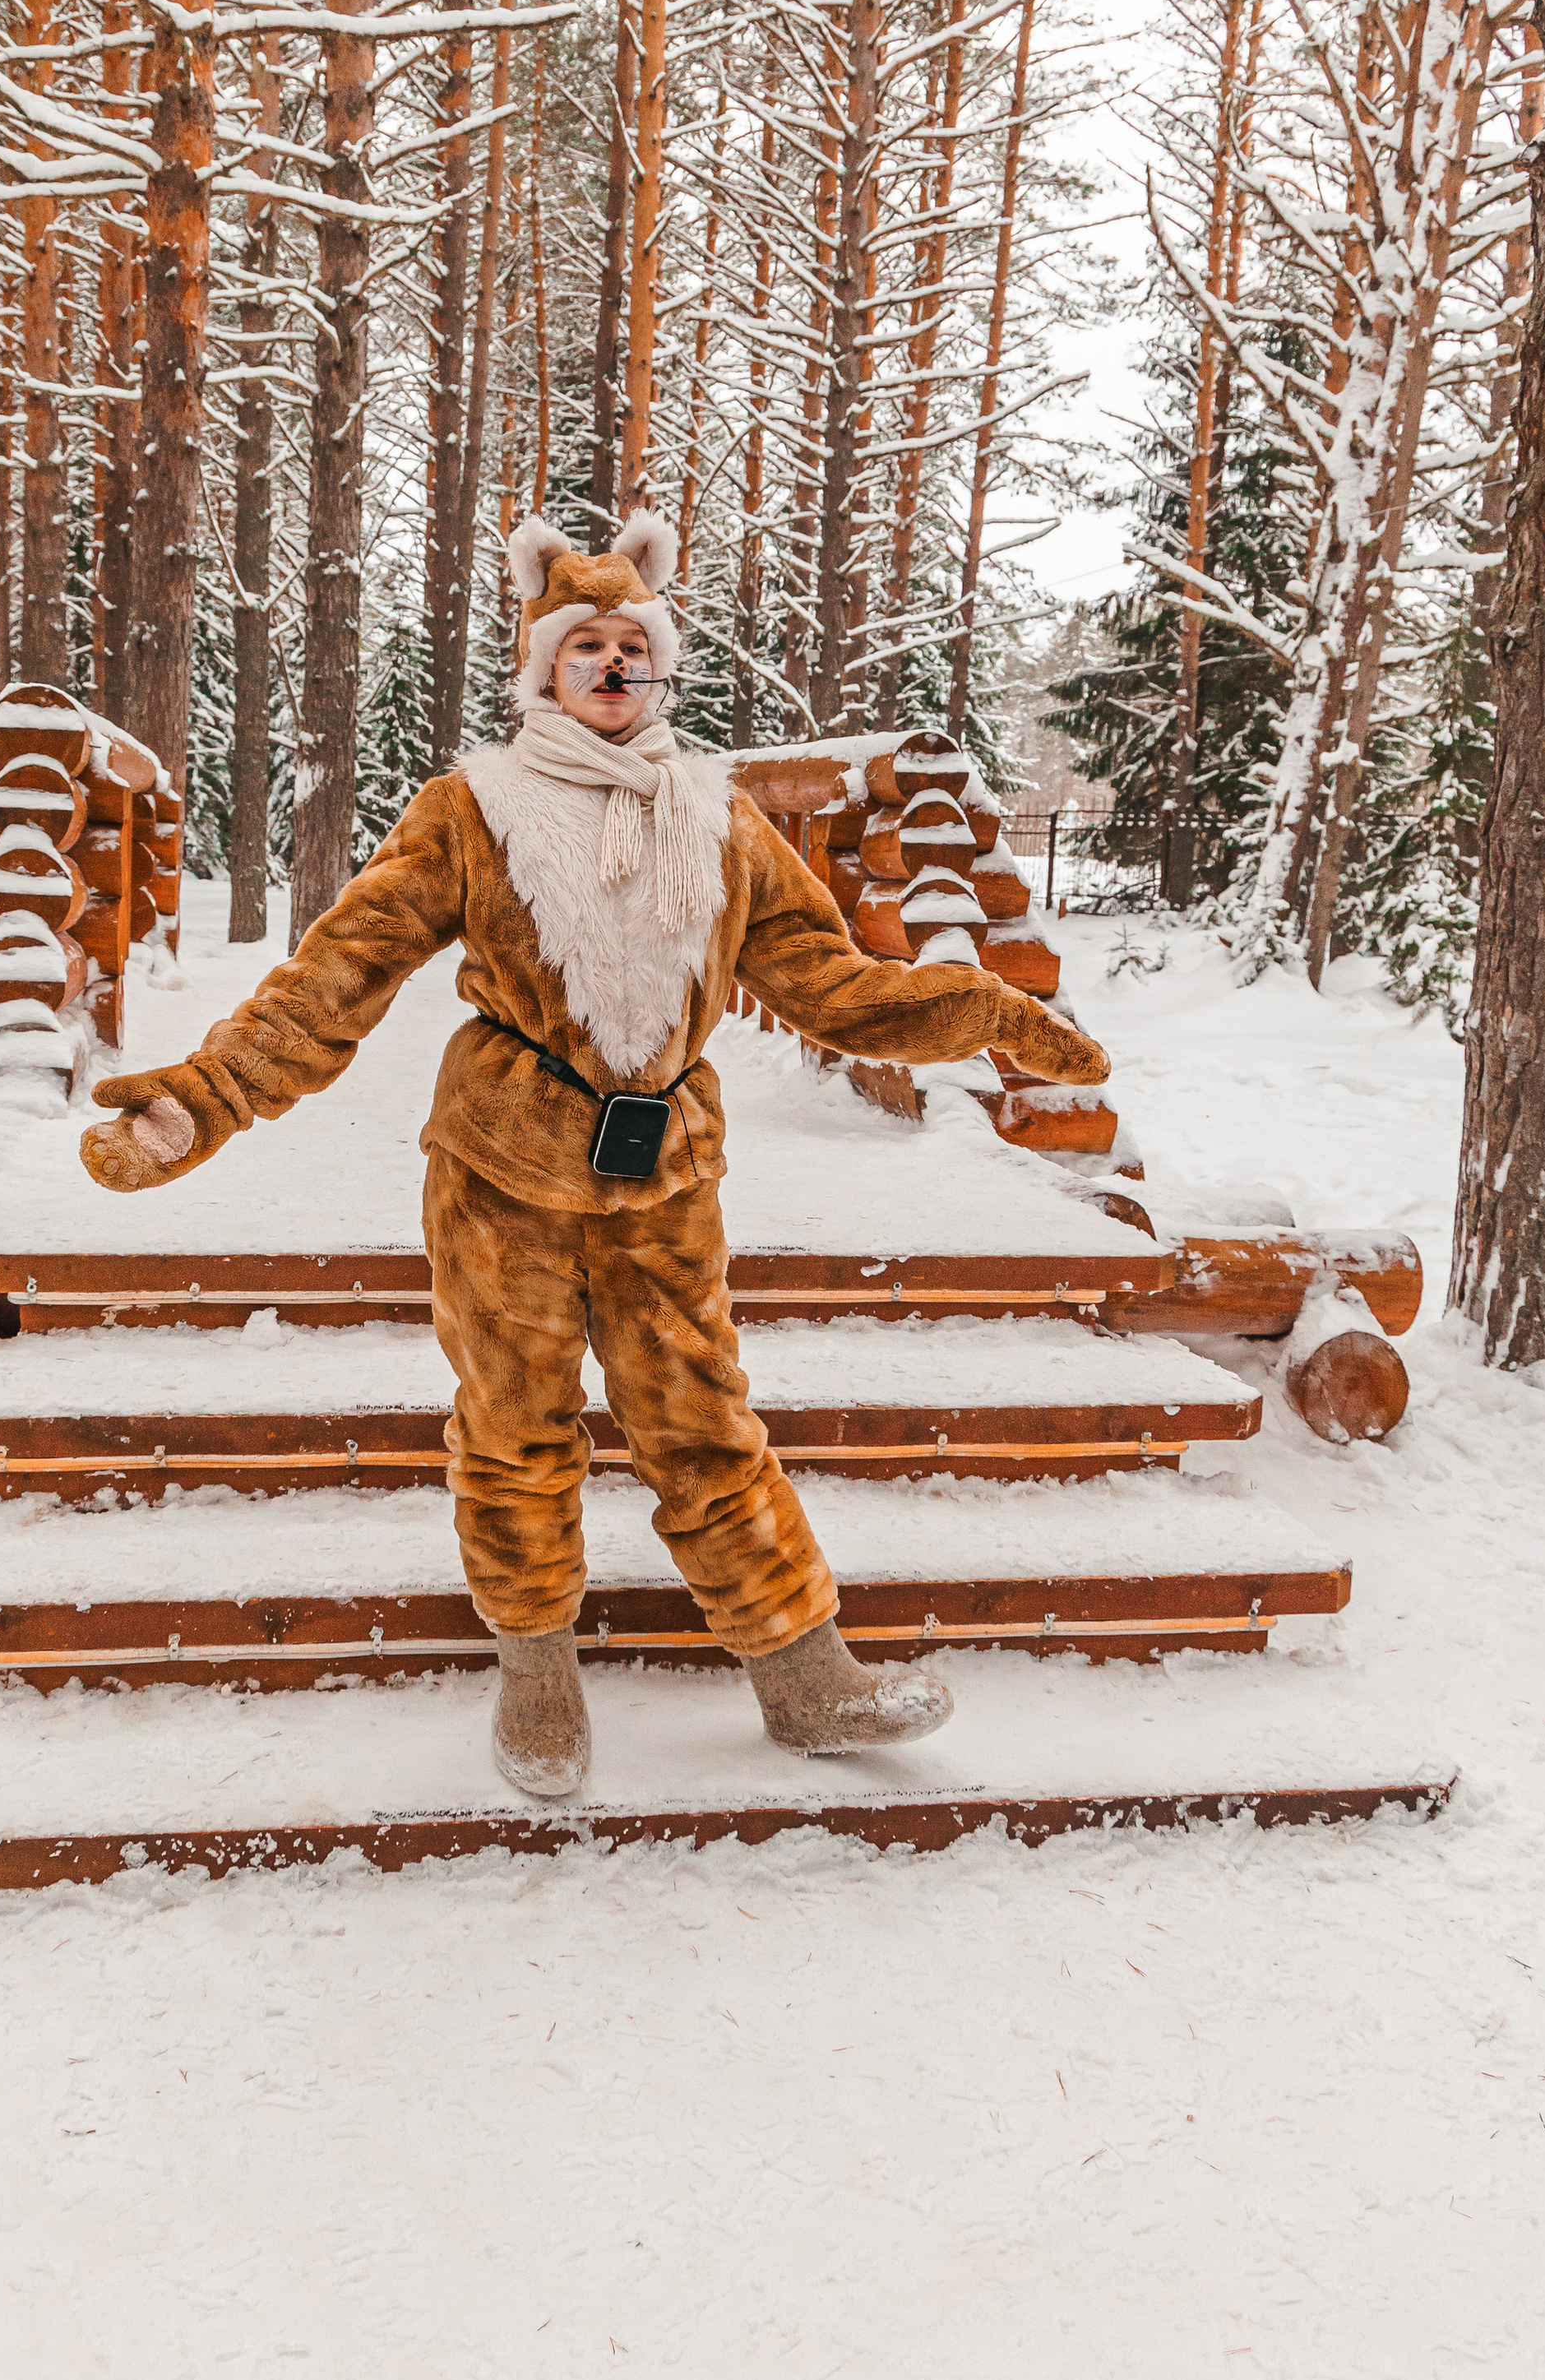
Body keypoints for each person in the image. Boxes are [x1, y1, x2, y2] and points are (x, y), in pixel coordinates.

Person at [81, 513, 1111, 1799]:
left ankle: (803, 1674)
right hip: (502, 1167)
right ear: (544, 667)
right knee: (515, 1426)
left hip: (664, 1175)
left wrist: (992, 1017)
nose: (614, 664)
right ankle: (538, 1675)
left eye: (635, 643)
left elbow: (834, 985)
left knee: (702, 1421)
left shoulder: (723, 822)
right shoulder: (473, 811)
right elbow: (335, 975)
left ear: (660, 663)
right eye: (588, 647)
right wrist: (202, 1100)